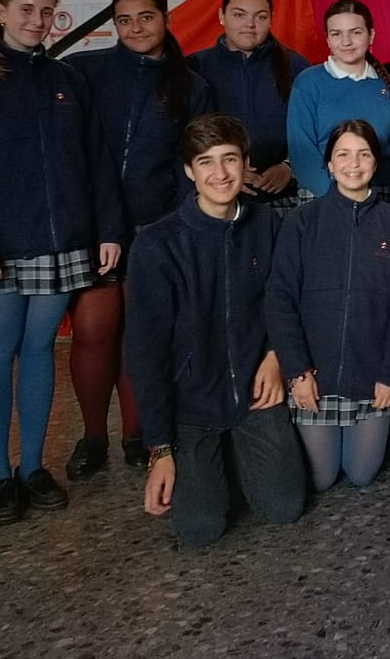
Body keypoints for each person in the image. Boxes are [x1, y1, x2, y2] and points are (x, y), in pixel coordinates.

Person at [0, 0, 123, 525]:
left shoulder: (66, 80)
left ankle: (34, 468)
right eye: (26, 9)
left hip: (60, 243)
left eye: (47, 11)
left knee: (38, 351)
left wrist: (108, 230)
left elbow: (96, 161)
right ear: (0, 11)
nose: (37, 21)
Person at [125, 114, 305, 549]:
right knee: (200, 528)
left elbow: (287, 303)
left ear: (246, 164)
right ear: (189, 171)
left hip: (255, 392)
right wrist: (160, 449)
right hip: (192, 405)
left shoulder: (269, 226)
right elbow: (147, 354)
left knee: (284, 507)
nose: (220, 173)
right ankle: (210, 457)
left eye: (230, 159)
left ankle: (238, 453)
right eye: (206, 162)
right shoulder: (157, 245)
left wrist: (275, 356)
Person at [62, 0, 213, 480]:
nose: (136, 28)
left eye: (146, 17)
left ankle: (136, 435)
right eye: (124, 20)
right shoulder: (86, 71)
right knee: (93, 331)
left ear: (165, 18)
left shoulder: (190, 84)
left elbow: (192, 161)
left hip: (155, 227)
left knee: (139, 334)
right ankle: (92, 436)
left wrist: (173, 224)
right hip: (96, 227)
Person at [263, 121, 390, 491]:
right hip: (314, 378)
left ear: (376, 163)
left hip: (373, 376)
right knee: (321, 479)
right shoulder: (302, 222)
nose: (354, 164)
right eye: (343, 155)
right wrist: (297, 372)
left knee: (361, 474)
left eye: (363, 154)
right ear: (330, 164)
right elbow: (280, 299)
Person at [188, 0, 311, 214]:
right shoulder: (195, 67)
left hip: (284, 199)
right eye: (239, 15)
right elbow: (186, 136)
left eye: (261, 17)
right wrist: (227, 170)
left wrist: (290, 167)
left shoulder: (297, 67)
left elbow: (315, 130)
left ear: (271, 19)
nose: (250, 25)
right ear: (221, 16)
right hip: (217, 196)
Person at [286, 0, 390, 199]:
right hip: (323, 195)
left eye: (355, 32)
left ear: (371, 35)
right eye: (337, 34)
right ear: (327, 39)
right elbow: (302, 151)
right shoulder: (308, 84)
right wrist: (335, 199)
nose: (346, 42)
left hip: (382, 194)